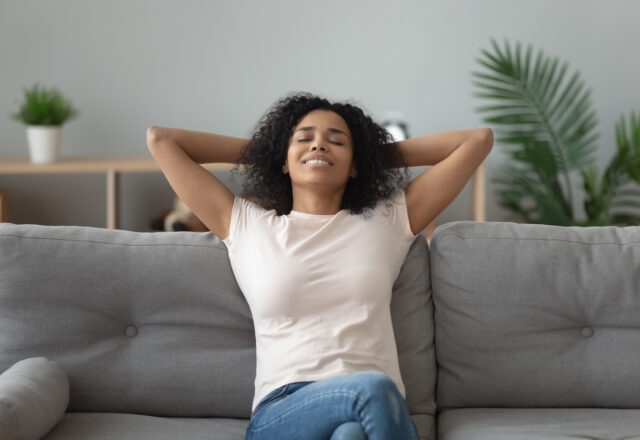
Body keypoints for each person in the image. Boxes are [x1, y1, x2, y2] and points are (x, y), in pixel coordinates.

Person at [146, 91, 493, 439]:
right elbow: (162, 140)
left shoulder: (387, 221)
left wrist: (369, 154)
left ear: (355, 163)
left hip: (374, 412)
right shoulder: (246, 225)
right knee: (371, 390)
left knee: (351, 434)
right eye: (304, 139)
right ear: (284, 158)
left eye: (336, 141)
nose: (319, 146)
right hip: (284, 410)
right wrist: (271, 149)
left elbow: (477, 140)